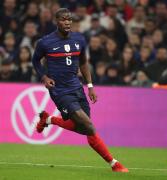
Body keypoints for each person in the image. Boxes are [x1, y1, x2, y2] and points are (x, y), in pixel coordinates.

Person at [32, 8, 128, 173]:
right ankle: (114, 164)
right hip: (60, 91)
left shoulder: (79, 39)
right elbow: (35, 61)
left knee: (85, 128)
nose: (67, 22)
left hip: (77, 87)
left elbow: (83, 63)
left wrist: (90, 86)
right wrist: (44, 77)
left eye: (69, 19)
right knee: (89, 126)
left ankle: (49, 120)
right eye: (63, 19)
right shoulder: (45, 42)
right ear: (57, 21)